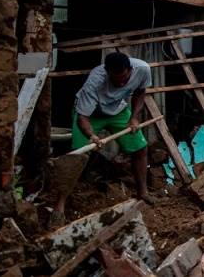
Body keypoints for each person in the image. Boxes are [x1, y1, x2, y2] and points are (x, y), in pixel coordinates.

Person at [51, 52, 155, 226]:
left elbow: (140, 91)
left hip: (118, 111)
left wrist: (134, 117)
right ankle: (59, 205)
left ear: (131, 69)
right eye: (116, 80)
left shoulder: (143, 69)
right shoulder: (95, 81)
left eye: (124, 79)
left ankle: (143, 192)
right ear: (107, 73)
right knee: (77, 156)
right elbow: (82, 117)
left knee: (140, 148)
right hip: (91, 114)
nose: (121, 83)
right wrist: (91, 136)